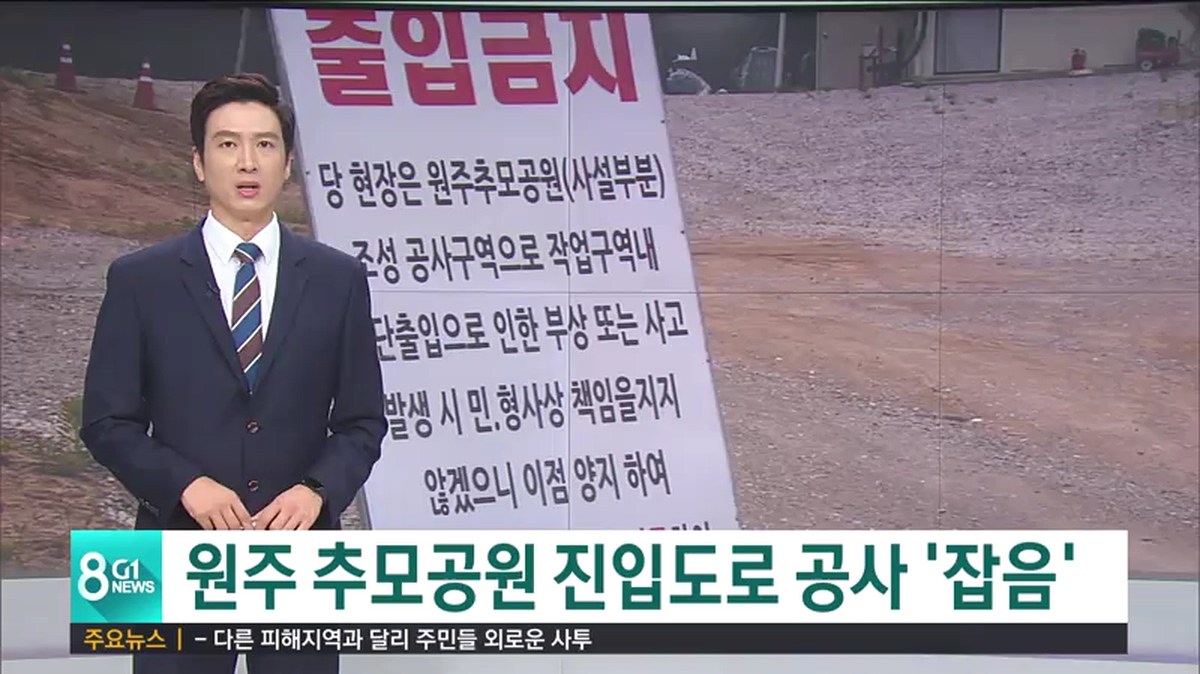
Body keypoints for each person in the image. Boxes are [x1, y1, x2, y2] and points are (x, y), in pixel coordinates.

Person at [79, 73, 386, 674]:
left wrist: (316, 492)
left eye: (265, 144)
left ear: (287, 164)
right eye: (227, 144)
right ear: (198, 162)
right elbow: (107, 422)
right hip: (172, 549)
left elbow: (361, 422)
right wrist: (185, 486)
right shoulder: (141, 279)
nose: (248, 162)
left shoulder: (338, 279)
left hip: (298, 556)